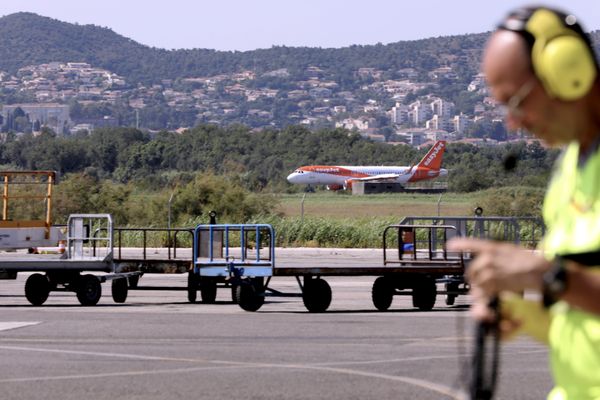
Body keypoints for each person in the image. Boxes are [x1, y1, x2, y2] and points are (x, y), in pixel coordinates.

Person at [447, 6, 600, 400]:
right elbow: (582, 320)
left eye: (517, 101)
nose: (513, 122)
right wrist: (525, 315)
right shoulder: (569, 172)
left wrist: (548, 275)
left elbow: (565, 281)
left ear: (567, 72)